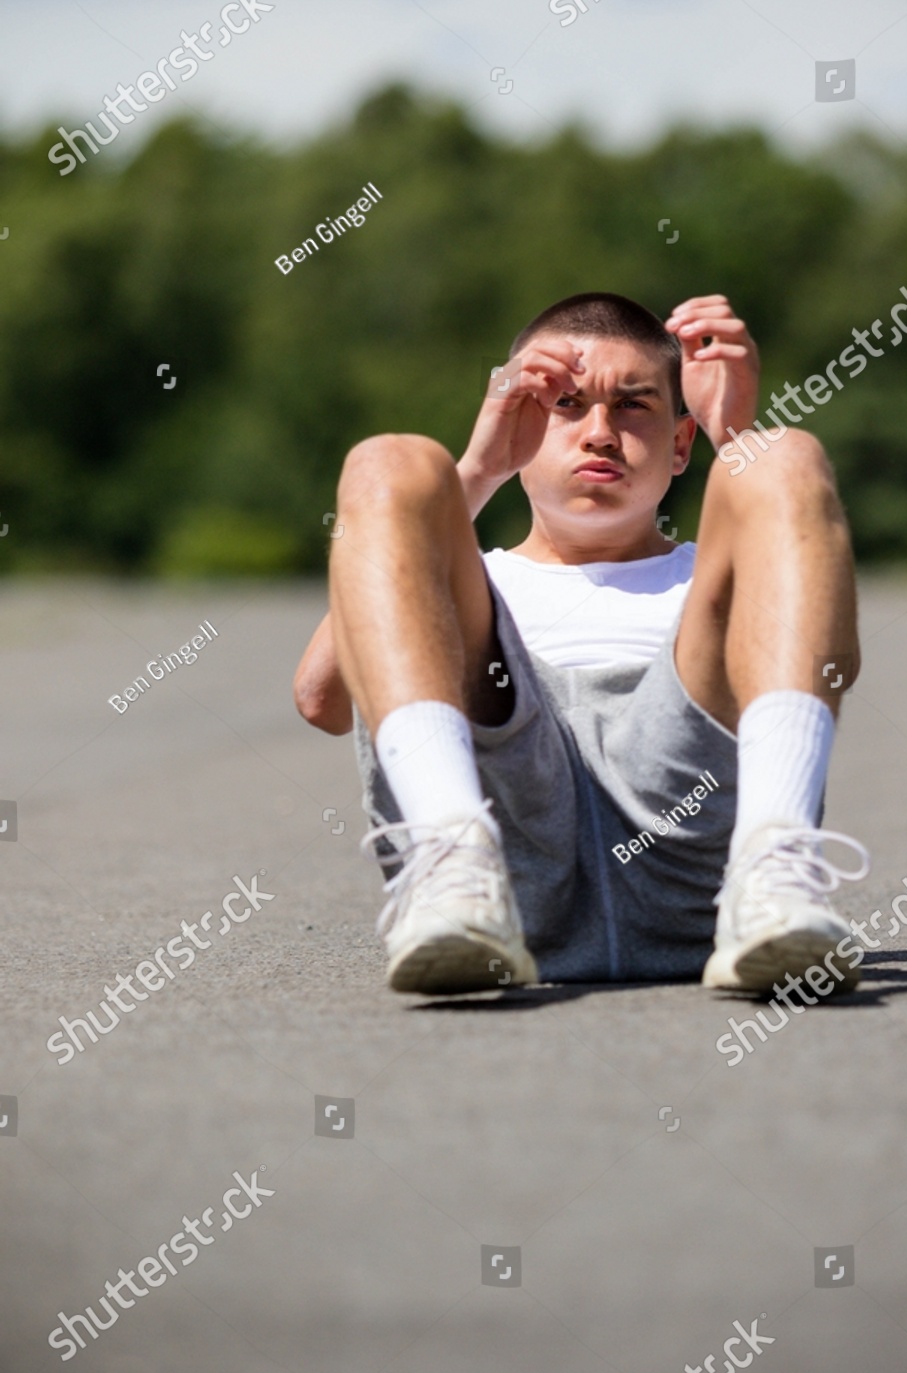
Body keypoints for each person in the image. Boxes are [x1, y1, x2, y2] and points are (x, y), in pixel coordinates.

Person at [293, 291, 869, 995]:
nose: (599, 432)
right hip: (512, 859)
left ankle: (775, 878)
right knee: (389, 461)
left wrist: (736, 442)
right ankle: (454, 874)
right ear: (520, 427)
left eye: (632, 405)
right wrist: (475, 470)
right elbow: (321, 697)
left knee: (783, 453)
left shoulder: (723, 578)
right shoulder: (466, 586)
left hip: (698, 869)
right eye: (566, 405)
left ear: (679, 442)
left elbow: (833, 662)